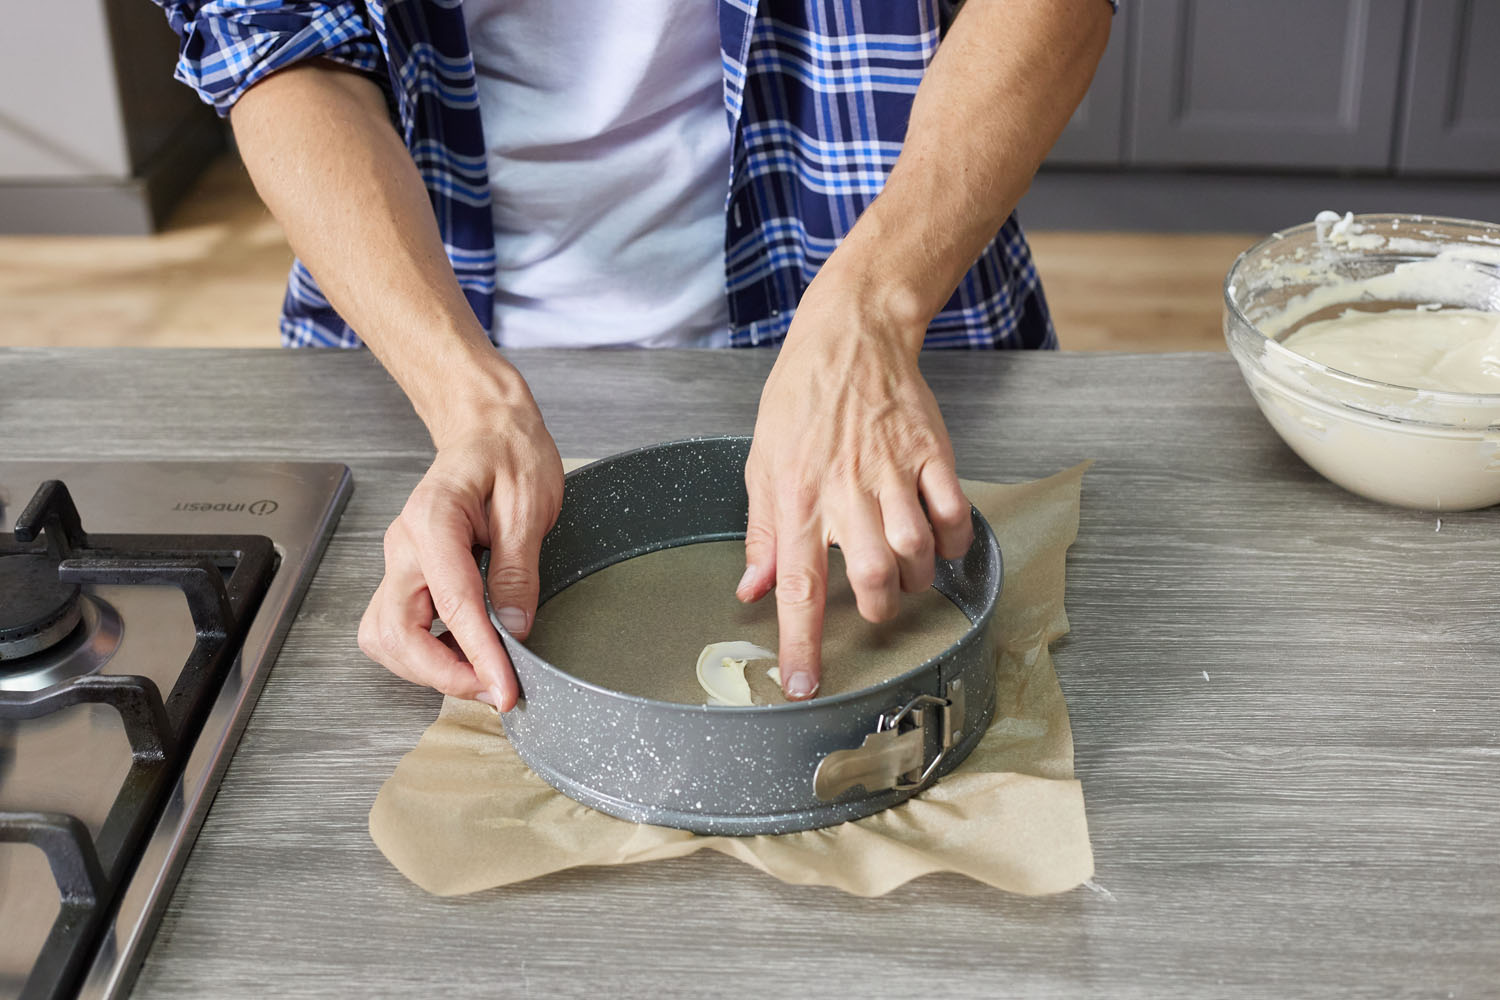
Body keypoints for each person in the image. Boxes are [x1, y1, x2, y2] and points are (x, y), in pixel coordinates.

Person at [155, 0, 1112, 709]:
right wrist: (466, 398)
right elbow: (275, 44)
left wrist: (872, 306)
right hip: (424, 333)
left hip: (897, 306)